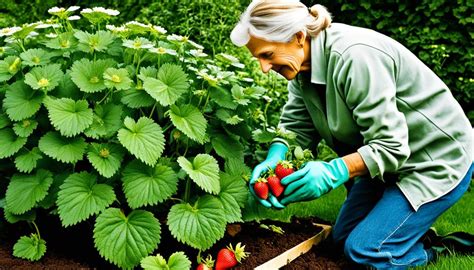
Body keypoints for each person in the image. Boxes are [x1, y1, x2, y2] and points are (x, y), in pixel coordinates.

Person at [230, 0, 473, 269]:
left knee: (365, 252)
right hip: (384, 165)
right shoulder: (301, 67)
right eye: (258, 59)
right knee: (340, 240)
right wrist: (275, 157)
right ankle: (407, 234)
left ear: (298, 37)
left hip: (434, 161)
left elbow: (391, 145)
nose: (264, 68)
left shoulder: (355, 57)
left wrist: (331, 172)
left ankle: (433, 251)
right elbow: (296, 125)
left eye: (267, 55)